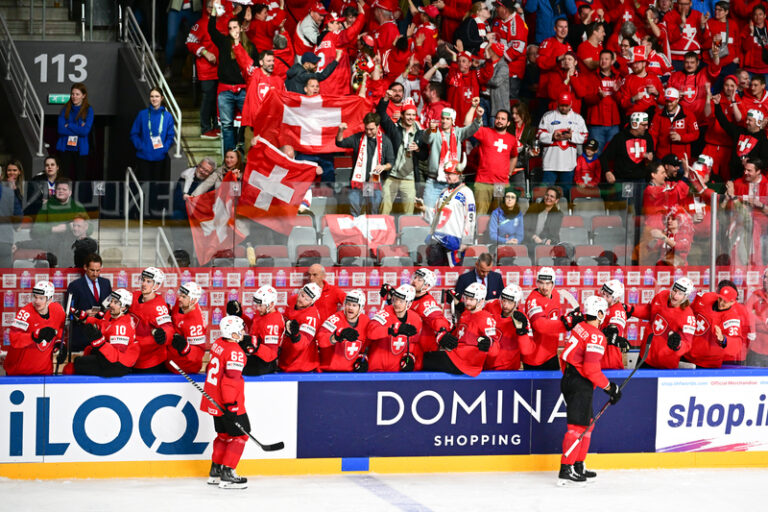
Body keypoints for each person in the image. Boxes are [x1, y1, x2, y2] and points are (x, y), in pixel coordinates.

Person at [558, 295, 621, 487]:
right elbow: (591, 369)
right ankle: (566, 468)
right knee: (577, 427)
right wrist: (610, 388)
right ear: (600, 313)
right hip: (579, 383)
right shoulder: (596, 335)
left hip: (571, 379)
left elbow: (567, 356)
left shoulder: (579, 327)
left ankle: (578, 464)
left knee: (587, 425)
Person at [201, 314, 249, 489]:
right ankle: (228, 474)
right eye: (241, 329)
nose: (243, 332)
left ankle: (216, 471)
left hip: (214, 400)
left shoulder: (218, 344)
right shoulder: (235, 352)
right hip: (227, 402)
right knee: (241, 436)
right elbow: (231, 381)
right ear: (234, 333)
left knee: (223, 435)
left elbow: (210, 369)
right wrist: (231, 405)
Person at [422, 282, 498, 377]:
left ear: (481, 301)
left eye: (471, 299)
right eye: (466, 298)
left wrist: (489, 343)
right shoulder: (466, 313)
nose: (467, 302)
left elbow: (494, 349)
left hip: (466, 364)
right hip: (456, 356)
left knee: (422, 360)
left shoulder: (486, 319)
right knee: (425, 355)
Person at [420, 103, 482, 216]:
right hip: (434, 182)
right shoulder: (435, 131)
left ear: (452, 120)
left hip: (453, 183)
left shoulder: (458, 132)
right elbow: (426, 138)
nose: (444, 121)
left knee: (452, 215)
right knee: (427, 214)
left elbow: (472, 129)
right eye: (443, 118)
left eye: (447, 119)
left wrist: (478, 118)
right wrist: (429, 129)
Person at [208, 4, 251, 154]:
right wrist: (214, 12)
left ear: (240, 28)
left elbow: (255, 65)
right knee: (226, 126)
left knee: (247, 123)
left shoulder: (249, 46)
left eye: (235, 27)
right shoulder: (224, 42)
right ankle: (230, 158)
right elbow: (211, 30)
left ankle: (242, 154)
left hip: (244, 90)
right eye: (230, 28)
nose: (233, 30)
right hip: (225, 90)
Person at [67, 289, 139, 377]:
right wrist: (85, 318)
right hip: (111, 357)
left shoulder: (122, 325)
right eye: (111, 301)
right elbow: (102, 324)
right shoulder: (112, 314)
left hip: (119, 364)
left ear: (124, 307)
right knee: (87, 354)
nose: (111, 304)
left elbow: (114, 357)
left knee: (77, 364)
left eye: (116, 302)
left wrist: (99, 341)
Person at [335, 112, 394, 216]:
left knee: (372, 212)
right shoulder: (358, 138)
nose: (368, 132)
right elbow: (340, 143)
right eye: (366, 129)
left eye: (371, 129)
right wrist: (340, 131)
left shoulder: (385, 141)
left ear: (378, 126)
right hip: (358, 182)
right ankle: (357, 231)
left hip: (374, 181)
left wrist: (383, 167)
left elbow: (391, 163)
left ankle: (370, 232)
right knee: (355, 212)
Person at [633, 277, 696, 369]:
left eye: (680, 294)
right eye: (674, 291)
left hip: (666, 363)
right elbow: (649, 311)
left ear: (686, 296)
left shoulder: (688, 316)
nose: (675, 296)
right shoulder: (661, 295)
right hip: (646, 356)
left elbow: (687, 343)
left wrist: (678, 345)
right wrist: (631, 310)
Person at [4, 281, 66, 376]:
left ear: (50, 300)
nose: (37, 301)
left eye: (41, 298)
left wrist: (60, 343)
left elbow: (60, 329)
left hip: (44, 371)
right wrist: (33, 336)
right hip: (19, 372)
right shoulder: (25, 313)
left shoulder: (58, 310)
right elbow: (14, 338)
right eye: (35, 297)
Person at [377, 94, 425, 215]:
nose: (411, 117)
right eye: (408, 114)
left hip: (409, 179)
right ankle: (382, 231)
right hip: (392, 176)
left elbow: (425, 156)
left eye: (413, 115)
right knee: (384, 209)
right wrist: (386, 99)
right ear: (402, 115)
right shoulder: (394, 129)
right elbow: (381, 115)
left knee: (408, 213)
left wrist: (418, 150)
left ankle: (406, 233)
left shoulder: (420, 133)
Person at [424, 157, 476, 267]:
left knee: (452, 273)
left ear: (459, 174)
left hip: (454, 240)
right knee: (435, 270)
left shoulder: (467, 192)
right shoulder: (443, 192)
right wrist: (423, 208)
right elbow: (435, 214)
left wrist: (466, 241)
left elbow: (470, 218)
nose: (447, 176)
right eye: (446, 173)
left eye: (450, 174)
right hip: (437, 238)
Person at [536, 92, 588, 196]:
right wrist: (552, 136)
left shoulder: (578, 118)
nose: (564, 108)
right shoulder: (548, 116)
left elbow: (584, 137)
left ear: (571, 104)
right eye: (561, 105)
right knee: (544, 192)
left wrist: (571, 136)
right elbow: (539, 135)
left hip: (568, 163)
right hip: (550, 162)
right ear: (557, 103)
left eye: (566, 105)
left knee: (566, 193)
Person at [687, 282, 747, 369]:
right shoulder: (705, 297)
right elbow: (689, 310)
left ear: (732, 302)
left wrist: (724, 339)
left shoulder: (732, 318)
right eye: (720, 299)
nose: (721, 303)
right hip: (688, 356)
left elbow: (736, 344)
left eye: (725, 301)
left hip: (709, 363)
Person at [366, 284, 423, 372]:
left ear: (409, 303)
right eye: (395, 299)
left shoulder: (416, 319)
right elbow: (371, 332)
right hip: (377, 369)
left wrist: (411, 357)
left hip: (398, 371)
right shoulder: (385, 313)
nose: (396, 303)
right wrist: (392, 330)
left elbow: (414, 343)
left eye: (401, 301)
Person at [186, 0, 221, 140]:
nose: (216, 10)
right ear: (208, 9)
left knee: (216, 99)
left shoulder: (222, 24)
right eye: (213, 8)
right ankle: (206, 128)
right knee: (208, 98)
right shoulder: (200, 24)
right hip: (206, 69)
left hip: (220, 69)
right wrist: (205, 52)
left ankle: (215, 126)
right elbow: (189, 42)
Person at [473, 109, 519, 214]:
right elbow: (468, 125)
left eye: (503, 119)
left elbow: (514, 156)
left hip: (501, 183)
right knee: (480, 213)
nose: (499, 121)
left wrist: (509, 172)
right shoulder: (485, 132)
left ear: (508, 123)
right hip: (483, 181)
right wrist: (475, 110)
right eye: (497, 118)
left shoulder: (512, 139)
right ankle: (479, 231)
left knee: (498, 214)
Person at [130, 267, 176, 373]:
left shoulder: (159, 306)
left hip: (151, 362)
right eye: (143, 280)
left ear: (156, 285)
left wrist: (164, 335)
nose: (144, 284)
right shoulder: (134, 296)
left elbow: (168, 328)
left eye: (148, 281)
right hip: (134, 357)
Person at [723, 159, 768, 266]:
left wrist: (760, 205)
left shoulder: (766, 185)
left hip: (764, 232)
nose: (745, 172)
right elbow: (728, 207)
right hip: (741, 228)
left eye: (749, 170)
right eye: (745, 169)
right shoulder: (738, 183)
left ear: (758, 172)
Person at [66, 253, 113, 352]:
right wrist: (83, 314)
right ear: (85, 267)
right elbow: (68, 310)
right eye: (92, 270)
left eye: (98, 270)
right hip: (81, 337)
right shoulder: (75, 286)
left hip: (102, 337)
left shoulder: (106, 283)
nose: (95, 274)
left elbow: (109, 305)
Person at [30, 178, 89, 256]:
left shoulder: (78, 207)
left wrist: (77, 228)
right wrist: (54, 229)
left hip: (73, 243)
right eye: (58, 189)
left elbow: (90, 227)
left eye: (64, 189)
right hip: (52, 243)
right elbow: (36, 230)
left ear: (70, 192)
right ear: (55, 191)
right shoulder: (47, 206)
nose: (61, 191)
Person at [317, 289, 370, 372]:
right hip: (329, 372)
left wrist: (362, 358)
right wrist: (336, 337)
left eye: (354, 305)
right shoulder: (335, 319)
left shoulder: (366, 321)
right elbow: (320, 339)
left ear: (361, 307)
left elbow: (366, 345)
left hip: (351, 372)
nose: (350, 308)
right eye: (348, 304)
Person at [484, 283, 533, 371]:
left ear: (516, 303)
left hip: (508, 368)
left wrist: (522, 332)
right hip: (486, 364)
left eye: (510, 302)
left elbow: (527, 350)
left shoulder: (522, 319)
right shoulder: (491, 306)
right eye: (504, 300)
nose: (505, 305)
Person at [130, 87, 175, 181]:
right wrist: (140, 146)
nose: (154, 99)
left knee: (155, 188)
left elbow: (170, 136)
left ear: (162, 98)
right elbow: (134, 133)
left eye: (157, 96)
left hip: (159, 157)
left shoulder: (168, 116)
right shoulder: (142, 114)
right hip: (143, 157)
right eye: (152, 96)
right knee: (144, 187)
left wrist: (164, 148)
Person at [600, 111, 655, 186]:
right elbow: (604, 157)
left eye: (647, 125)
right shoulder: (620, 138)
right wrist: (607, 172)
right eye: (643, 125)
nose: (646, 127)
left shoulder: (648, 138)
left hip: (640, 180)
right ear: (635, 124)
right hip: (622, 180)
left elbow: (649, 162)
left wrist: (649, 160)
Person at [407, 268, 451, 358]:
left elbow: (437, 318)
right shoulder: (409, 296)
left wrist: (442, 330)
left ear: (426, 286)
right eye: (415, 277)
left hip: (423, 351)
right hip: (410, 346)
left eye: (419, 280)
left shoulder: (426, 302)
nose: (414, 281)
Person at [649, 87, 700, 163]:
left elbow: (695, 134)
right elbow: (653, 135)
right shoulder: (658, 115)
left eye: (671, 101)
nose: (669, 104)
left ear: (677, 100)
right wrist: (651, 151)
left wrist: (681, 138)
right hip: (662, 157)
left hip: (681, 158)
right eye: (667, 101)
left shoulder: (688, 115)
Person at [241, 285, 283, 376]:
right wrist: (240, 315)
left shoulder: (274, 322)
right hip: (254, 355)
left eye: (260, 305)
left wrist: (254, 344)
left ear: (271, 304)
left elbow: (271, 355)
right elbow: (254, 328)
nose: (257, 308)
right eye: (257, 304)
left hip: (264, 363)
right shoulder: (262, 313)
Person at [280, 283, 322, 372]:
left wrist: (295, 335)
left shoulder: (311, 318)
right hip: (285, 360)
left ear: (312, 302)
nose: (301, 299)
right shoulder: (293, 299)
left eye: (306, 299)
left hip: (302, 365)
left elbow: (302, 344)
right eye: (302, 295)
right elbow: (286, 316)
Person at [55, 83, 94, 179]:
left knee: (80, 177)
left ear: (83, 96)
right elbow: (61, 129)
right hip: (65, 148)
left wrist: (69, 125)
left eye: (77, 94)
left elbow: (85, 131)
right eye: (72, 94)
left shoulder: (89, 110)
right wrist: (79, 128)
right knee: (63, 176)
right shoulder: (65, 109)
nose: (74, 97)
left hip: (81, 149)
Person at [167, 281, 207, 374]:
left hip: (184, 369)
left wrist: (185, 347)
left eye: (184, 297)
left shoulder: (196, 323)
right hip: (170, 361)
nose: (179, 298)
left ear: (193, 300)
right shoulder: (183, 303)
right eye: (180, 295)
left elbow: (198, 354)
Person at [597, 280, 631, 370]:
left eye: (607, 296)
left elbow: (615, 329)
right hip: (599, 356)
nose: (603, 297)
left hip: (610, 361)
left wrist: (612, 334)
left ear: (616, 298)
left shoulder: (618, 311)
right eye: (603, 293)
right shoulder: (603, 305)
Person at [164, 0, 201, 78]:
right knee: (171, 38)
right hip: (176, 7)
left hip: (194, 7)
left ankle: (194, 69)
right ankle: (168, 67)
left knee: (196, 38)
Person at [523, 186, 563, 251]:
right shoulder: (533, 208)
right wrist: (534, 237)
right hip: (528, 243)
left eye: (552, 196)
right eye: (547, 195)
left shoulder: (558, 214)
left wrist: (550, 240)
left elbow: (555, 234)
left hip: (545, 245)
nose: (548, 198)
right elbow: (523, 228)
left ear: (556, 200)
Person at [745, 267, 768, 367]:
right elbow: (746, 314)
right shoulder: (756, 295)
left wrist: (756, 318)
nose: (765, 280)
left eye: (767, 278)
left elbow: (752, 316)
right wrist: (764, 322)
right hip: (756, 351)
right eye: (764, 277)